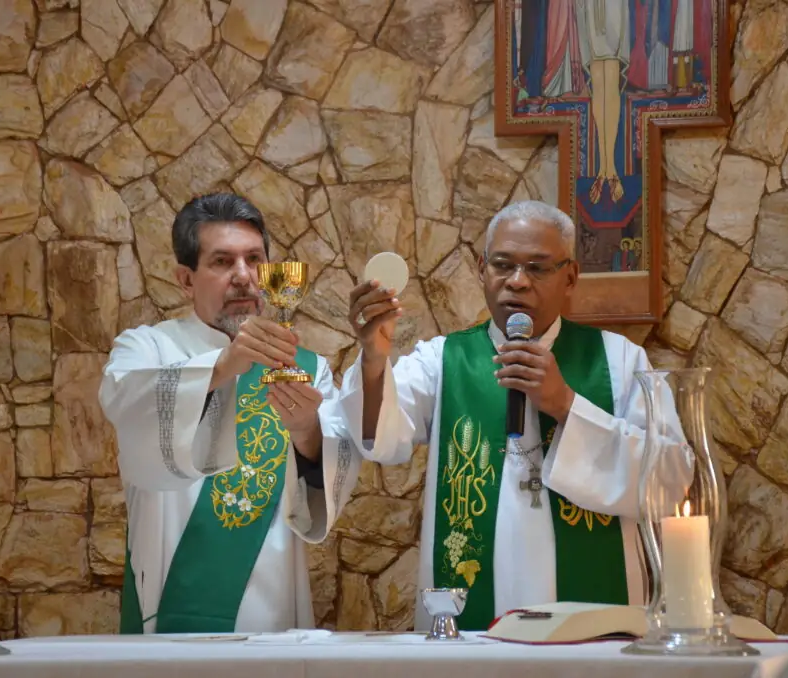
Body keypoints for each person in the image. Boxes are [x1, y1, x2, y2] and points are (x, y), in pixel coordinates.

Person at [338, 200, 683, 631]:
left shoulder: (621, 361)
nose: (517, 281)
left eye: (537, 268)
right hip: (474, 626)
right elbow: (379, 437)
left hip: (594, 630)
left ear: (570, 277)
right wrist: (373, 357)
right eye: (503, 265)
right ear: (482, 269)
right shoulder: (443, 360)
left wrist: (564, 404)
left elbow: (670, 480)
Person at [99, 193, 360, 634]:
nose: (243, 276)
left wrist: (307, 434)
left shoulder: (305, 369)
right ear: (186, 280)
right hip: (170, 607)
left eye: (254, 259)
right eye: (222, 262)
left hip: (272, 615)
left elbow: (329, 490)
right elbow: (127, 404)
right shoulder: (146, 348)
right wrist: (223, 367)